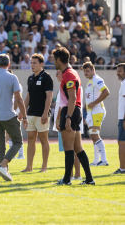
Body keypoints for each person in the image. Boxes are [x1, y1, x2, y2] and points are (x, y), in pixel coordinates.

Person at [53, 47, 95, 185]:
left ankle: (66, 179)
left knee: (68, 147)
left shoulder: (68, 74)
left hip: (70, 110)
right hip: (74, 111)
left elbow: (72, 98)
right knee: (78, 147)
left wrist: (67, 118)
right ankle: (89, 179)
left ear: (59, 60)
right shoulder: (71, 73)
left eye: (54, 60)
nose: (54, 62)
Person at [0, 54, 27, 181]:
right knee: (18, 141)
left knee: (1, 145)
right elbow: (19, 99)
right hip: (8, 115)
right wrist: (24, 116)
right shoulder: (12, 77)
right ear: (9, 64)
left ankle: (5, 171)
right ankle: (3, 166)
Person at [22, 54, 53, 172]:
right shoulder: (30, 78)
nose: (32, 65)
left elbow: (49, 96)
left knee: (43, 139)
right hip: (31, 114)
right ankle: (29, 167)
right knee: (30, 138)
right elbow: (28, 97)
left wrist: (45, 113)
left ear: (41, 64)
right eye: (31, 63)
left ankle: (44, 167)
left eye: (34, 63)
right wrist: (22, 111)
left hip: (42, 114)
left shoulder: (47, 77)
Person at [82, 62, 110, 166]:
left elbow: (106, 92)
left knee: (93, 134)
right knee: (93, 135)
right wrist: (87, 103)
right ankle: (96, 160)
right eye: (84, 71)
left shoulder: (97, 79)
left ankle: (104, 160)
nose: (85, 73)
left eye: (87, 71)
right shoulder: (90, 81)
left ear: (93, 70)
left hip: (97, 112)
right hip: (91, 112)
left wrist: (94, 103)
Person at [114, 64, 125, 174]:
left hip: (123, 118)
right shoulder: (123, 83)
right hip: (122, 117)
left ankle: (122, 169)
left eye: (120, 71)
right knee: (120, 141)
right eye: (117, 71)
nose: (117, 73)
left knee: (121, 142)